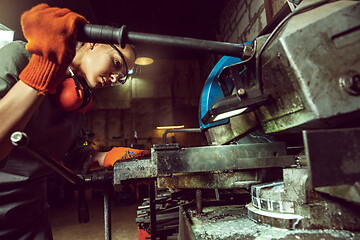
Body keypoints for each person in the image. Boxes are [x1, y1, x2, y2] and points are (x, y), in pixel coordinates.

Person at [0, 3, 149, 239]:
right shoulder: (20, 57)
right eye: (116, 63)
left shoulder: (80, 99)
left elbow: (67, 156)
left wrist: (105, 157)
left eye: (121, 78)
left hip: (31, 214)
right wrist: (44, 69)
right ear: (94, 42)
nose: (114, 78)